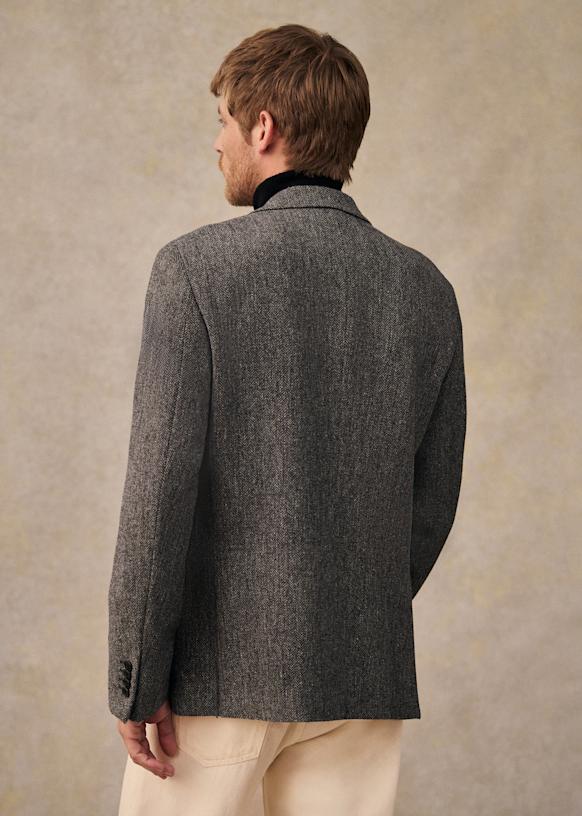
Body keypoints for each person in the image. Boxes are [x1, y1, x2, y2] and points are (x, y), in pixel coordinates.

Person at [107, 22, 467, 816]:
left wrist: (135, 673)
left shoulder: (195, 270)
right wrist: (349, 604)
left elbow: (158, 490)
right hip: (359, 677)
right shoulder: (425, 289)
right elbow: (432, 498)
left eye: (225, 122)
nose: (218, 142)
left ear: (263, 128)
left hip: (218, 676)